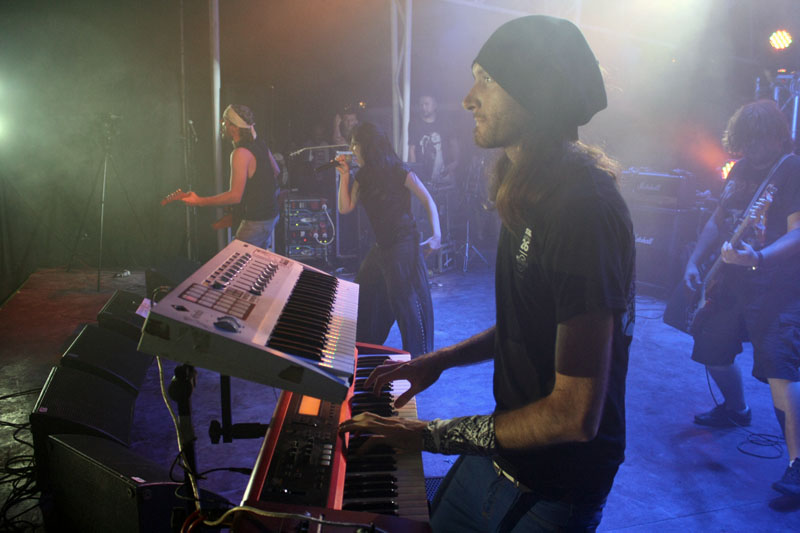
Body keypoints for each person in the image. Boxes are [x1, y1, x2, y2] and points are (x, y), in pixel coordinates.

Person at [339, 15, 635, 531]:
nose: (467, 99)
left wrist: (428, 435)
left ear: (537, 92)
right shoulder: (533, 189)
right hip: (500, 455)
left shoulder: (582, 208)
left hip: (553, 489)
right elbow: (531, 325)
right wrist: (442, 360)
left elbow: (574, 414)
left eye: (487, 79)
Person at [683, 99, 800, 495]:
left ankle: (797, 464)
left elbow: (798, 231)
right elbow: (719, 220)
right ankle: (736, 410)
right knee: (711, 349)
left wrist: (759, 257)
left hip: (779, 285)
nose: (754, 147)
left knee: (781, 369)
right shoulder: (738, 170)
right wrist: (695, 260)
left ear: (778, 136)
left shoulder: (791, 169)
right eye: (747, 140)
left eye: (761, 139)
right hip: (731, 281)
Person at [336, 122, 441, 357]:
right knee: (362, 293)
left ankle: (418, 360)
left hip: (404, 244)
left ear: (369, 145)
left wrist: (437, 236)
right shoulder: (362, 176)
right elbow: (345, 208)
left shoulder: (399, 171)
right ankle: (359, 349)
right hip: (382, 246)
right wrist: (344, 176)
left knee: (405, 304)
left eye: (355, 143)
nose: (352, 149)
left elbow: (428, 200)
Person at [181, 104, 281, 249]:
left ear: (234, 127)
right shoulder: (260, 144)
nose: (222, 125)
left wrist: (199, 201)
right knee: (254, 259)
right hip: (271, 216)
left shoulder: (240, 153)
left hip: (256, 222)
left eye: (225, 122)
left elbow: (235, 196)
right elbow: (276, 171)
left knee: (237, 260)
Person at [408, 94, 461, 185]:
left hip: (445, 176)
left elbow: (453, 143)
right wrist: (414, 173)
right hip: (423, 178)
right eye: (421, 105)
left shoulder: (444, 122)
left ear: (434, 105)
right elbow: (412, 149)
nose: (423, 107)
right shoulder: (415, 123)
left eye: (426, 104)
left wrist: (455, 162)